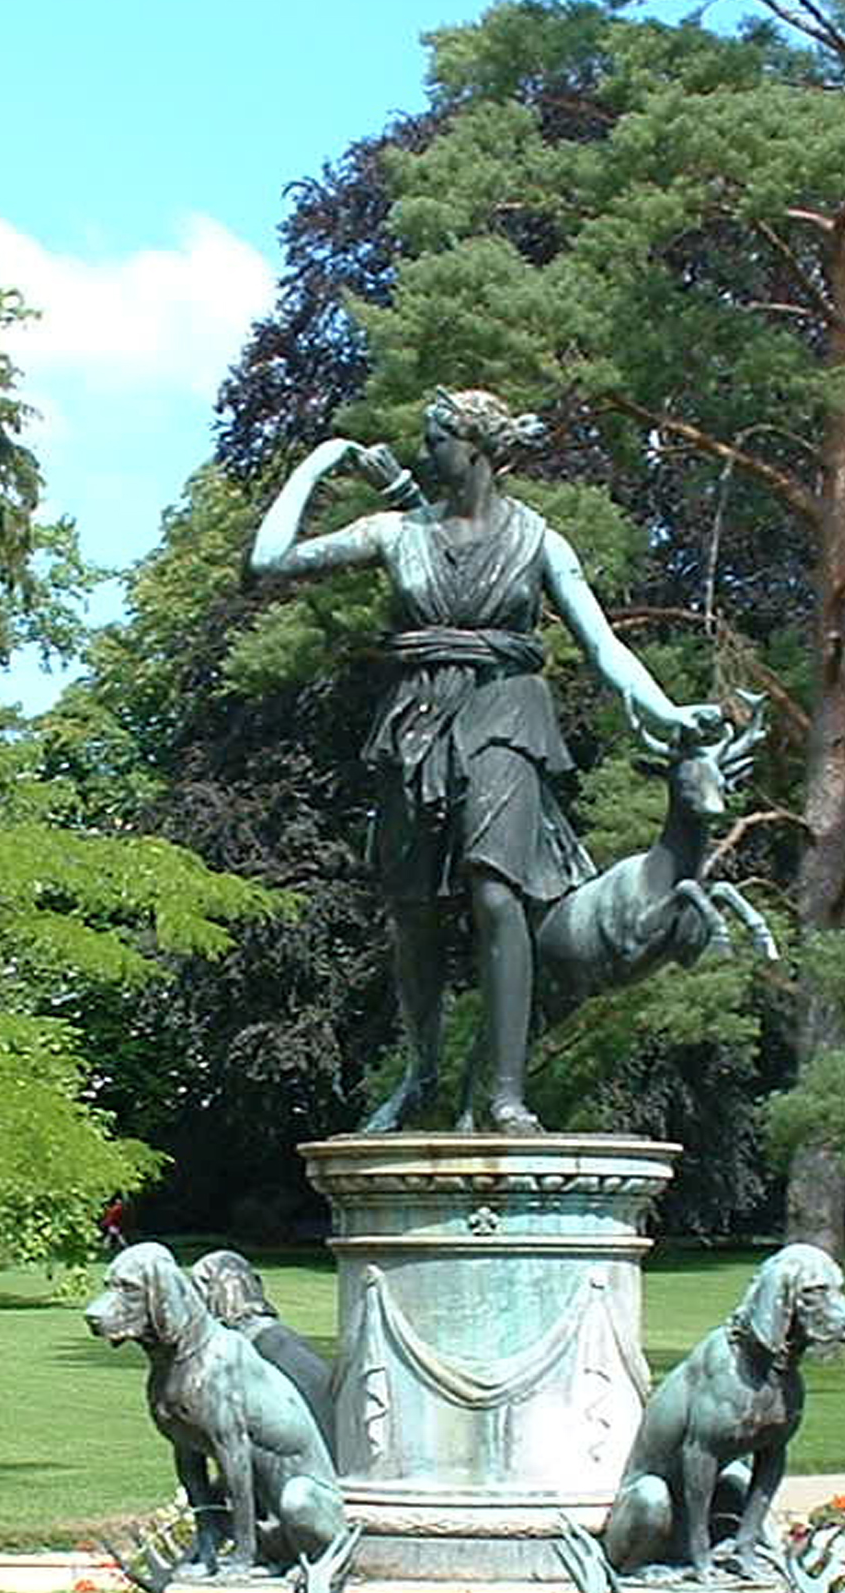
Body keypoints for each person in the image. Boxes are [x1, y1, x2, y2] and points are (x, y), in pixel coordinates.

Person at [245, 389, 717, 1132]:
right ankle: (422, 1074)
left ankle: (505, 1095)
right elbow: (270, 559)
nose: (423, 453)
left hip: (506, 712)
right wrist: (318, 461)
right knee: (413, 916)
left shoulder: (540, 542)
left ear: (475, 448)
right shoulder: (396, 531)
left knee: (499, 892)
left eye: (436, 441)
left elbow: (603, 646)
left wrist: (665, 710)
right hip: (415, 723)